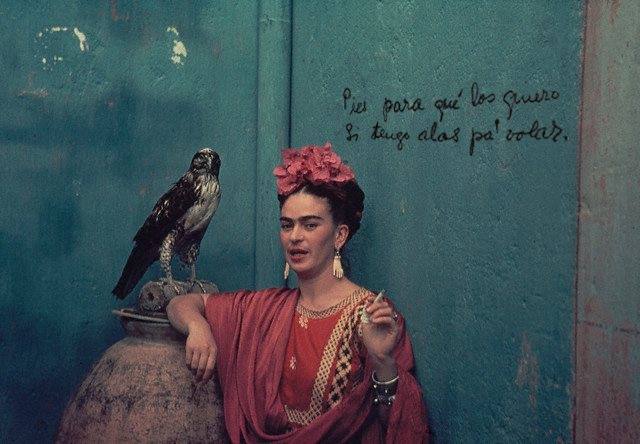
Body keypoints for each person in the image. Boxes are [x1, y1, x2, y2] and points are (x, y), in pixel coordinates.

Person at [167, 143, 429, 442]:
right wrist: (198, 327)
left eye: (310, 225)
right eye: (286, 225)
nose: (295, 237)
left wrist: (383, 362)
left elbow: (396, 428)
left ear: (340, 235)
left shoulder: (371, 316)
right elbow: (181, 303)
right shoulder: (263, 310)